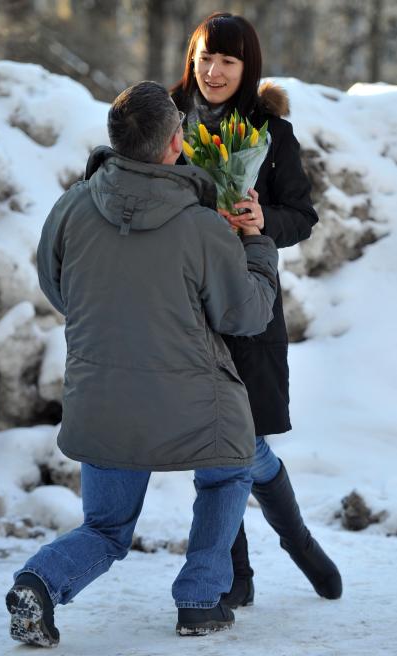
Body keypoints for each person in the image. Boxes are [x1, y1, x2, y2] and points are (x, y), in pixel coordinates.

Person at [4, 81, 279, 646]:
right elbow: (246, 314)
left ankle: (38, 582)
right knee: (231, 467)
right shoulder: (202, 225)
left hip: (99, 397)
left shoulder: (72, 206)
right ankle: (201, 600)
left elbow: (60, 289)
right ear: (174, 144)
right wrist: (255, 244)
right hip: (193, 408)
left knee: (105, 528)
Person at [171, 12, 343, 608]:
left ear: (248, 69)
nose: (212, 71)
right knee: (210, 442)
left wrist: (263, 220)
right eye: (205, 57)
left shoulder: (270, 132)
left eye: (228, 60)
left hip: (248, 299)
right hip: (182, 306)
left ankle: (298, 543)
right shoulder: (164, 119)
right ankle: (231, 575)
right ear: (190, 58)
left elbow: (304, 215)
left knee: (247, 441)